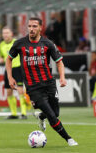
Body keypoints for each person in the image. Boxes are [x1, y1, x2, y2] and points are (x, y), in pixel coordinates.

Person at [6, 17, 78, 146]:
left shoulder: (48, 44)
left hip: (49, 83)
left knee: (55, 112)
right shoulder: (19, 43)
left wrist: (62, 77)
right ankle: (68, 139)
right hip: (33, 87)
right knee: (52, 115)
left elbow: (59, 62)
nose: (31, 29)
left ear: (40, 28)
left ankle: (41, 116)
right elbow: (9, 59)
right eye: (29, 26)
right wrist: (10, 77)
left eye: (34, 26)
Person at [0, 26, 28, 119]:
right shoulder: (1, 45)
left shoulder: (17, 43)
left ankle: (23, 113)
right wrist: (0, 59)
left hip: (18, 68)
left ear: (11, 34)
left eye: (7, 33)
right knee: (8, 92)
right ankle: (14, 113)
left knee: (20, 90)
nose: (5, 35)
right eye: (4, 33)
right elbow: (2, 56)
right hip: (8, 69)